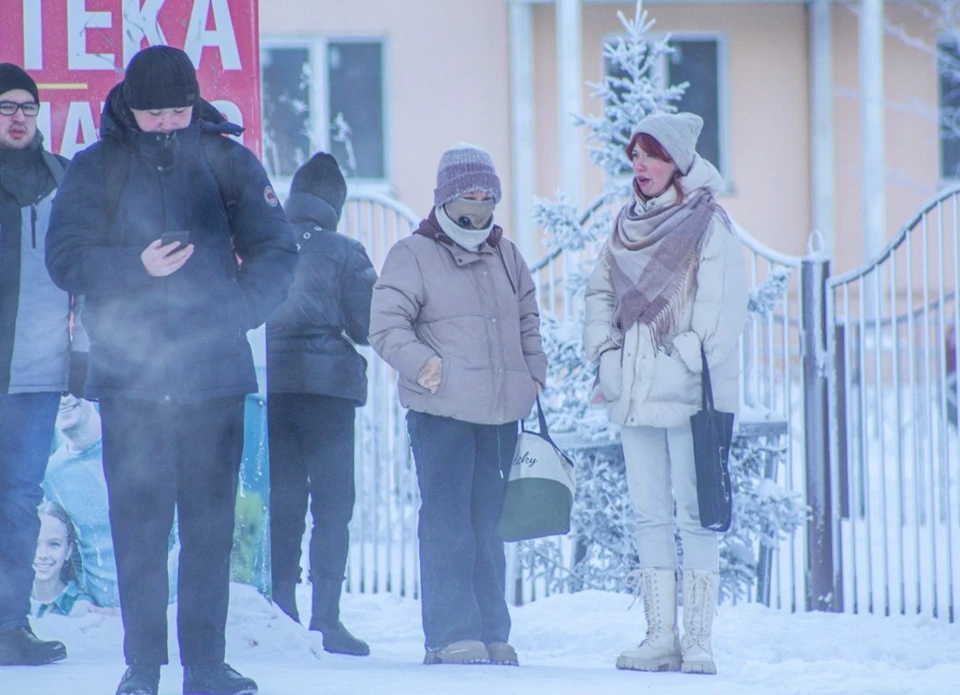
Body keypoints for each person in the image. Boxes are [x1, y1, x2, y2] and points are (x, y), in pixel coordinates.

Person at [45, 46, 298, 695]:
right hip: (130, 383)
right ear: (130, 105)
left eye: (179, 111)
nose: (167, 123)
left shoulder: (227, 160)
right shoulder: (95, 168)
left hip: (213, 380)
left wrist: (235, 310)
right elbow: (65, 258)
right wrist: (136, 265)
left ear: (195, 104)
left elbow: (276, 249)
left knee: (209, 532)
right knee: (139, 532)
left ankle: (206, 668)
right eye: (155, 112)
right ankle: (142, 667)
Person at [583, 112, 749, 676]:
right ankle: (660, 636)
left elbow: (719, 318)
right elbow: (599, 295)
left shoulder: (709, 224)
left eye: (651, 155)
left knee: (696, 515)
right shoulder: (623, 226)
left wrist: (676, 360)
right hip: (633, 389)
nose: (641, 165)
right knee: (648, 515)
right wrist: (606, 358)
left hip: (689, 394)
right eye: (634, 155)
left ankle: (698, 640)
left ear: (676, 162)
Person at [369, 143, 547, 666]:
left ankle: (493, 630)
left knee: (490, 526)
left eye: (487, 193)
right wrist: (426, 365)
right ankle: (450, 633)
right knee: (448, 523)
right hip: (441, 413)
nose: (479, 201)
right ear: (446, 196)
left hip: (499, 414)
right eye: (468, 192)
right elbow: (385, 325)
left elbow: (528, 320)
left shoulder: (506, 254)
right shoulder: (413, 254)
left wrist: (533, 375)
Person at [266, 152, 375, 656]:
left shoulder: (264, 243)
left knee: (284, 501)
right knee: (332, 506)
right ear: (336, 202)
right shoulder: (344, 251)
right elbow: (367, 326)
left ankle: (281, 612)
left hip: (273, 389)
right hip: (328, 393)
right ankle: (326, 619)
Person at [0, 62, 71, 667]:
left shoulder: (65, 180)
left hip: (38, 373)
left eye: (26, 106)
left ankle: (9, 627)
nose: (18, 117)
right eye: (5, 107)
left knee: (21, 502)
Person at [43, 395, 182, 609]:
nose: (63, 398)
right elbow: (69, 552)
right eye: (53, 392)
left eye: (71, 386)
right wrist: (82, 600)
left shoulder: (142, 447)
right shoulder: (53, 473)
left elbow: (187, 533)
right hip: (98, 619)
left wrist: (157, 599)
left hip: (166, 610)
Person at [31, 501, 99, 618]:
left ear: (68, 551)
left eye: (54, 544)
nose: (42, 554)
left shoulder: (81, 606)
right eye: (34, 543)